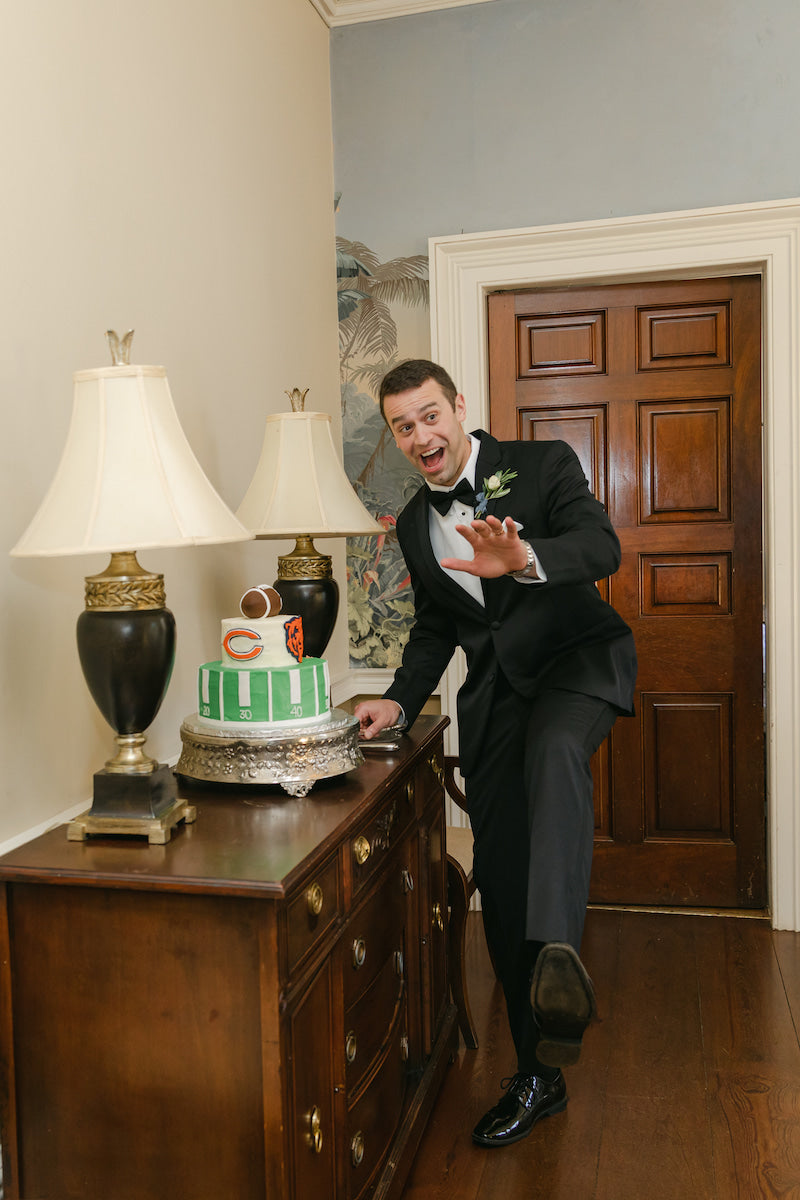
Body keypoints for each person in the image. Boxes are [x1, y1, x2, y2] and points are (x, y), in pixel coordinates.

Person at [355, 359, 637, 1148]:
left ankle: (557, 966)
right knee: (503, 876)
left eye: (429, 415)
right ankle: (539, 1073)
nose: (420, 435)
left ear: (459, 409)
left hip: (576, 665)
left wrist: (527, 558)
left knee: (555, 755)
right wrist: (400, 700)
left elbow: (601, 545)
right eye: (403, 426)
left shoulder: (542, 464)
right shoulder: (415, 523)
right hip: (496, 698)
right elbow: (436, 629)